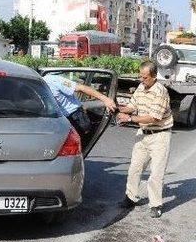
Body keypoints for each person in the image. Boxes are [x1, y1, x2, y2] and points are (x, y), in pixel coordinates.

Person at [116, 61, 173, 218]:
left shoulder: (160, 92)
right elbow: (133, 105)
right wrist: (119, 109)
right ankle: (130, 197)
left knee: (156, 173)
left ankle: (155, 204)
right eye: (140, 76)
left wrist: (129, 119)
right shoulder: (141, 87)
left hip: (159, 136)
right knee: (135, 168)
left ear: (154, 76)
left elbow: (154, 118)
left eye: (145, 77)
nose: (142, 80)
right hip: (143, 134)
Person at [43, 73, 117, 138]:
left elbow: (81, 88)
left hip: (74, 116)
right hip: (54, 120)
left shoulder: (51, 80)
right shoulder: (33, 87)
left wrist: (105, 99)